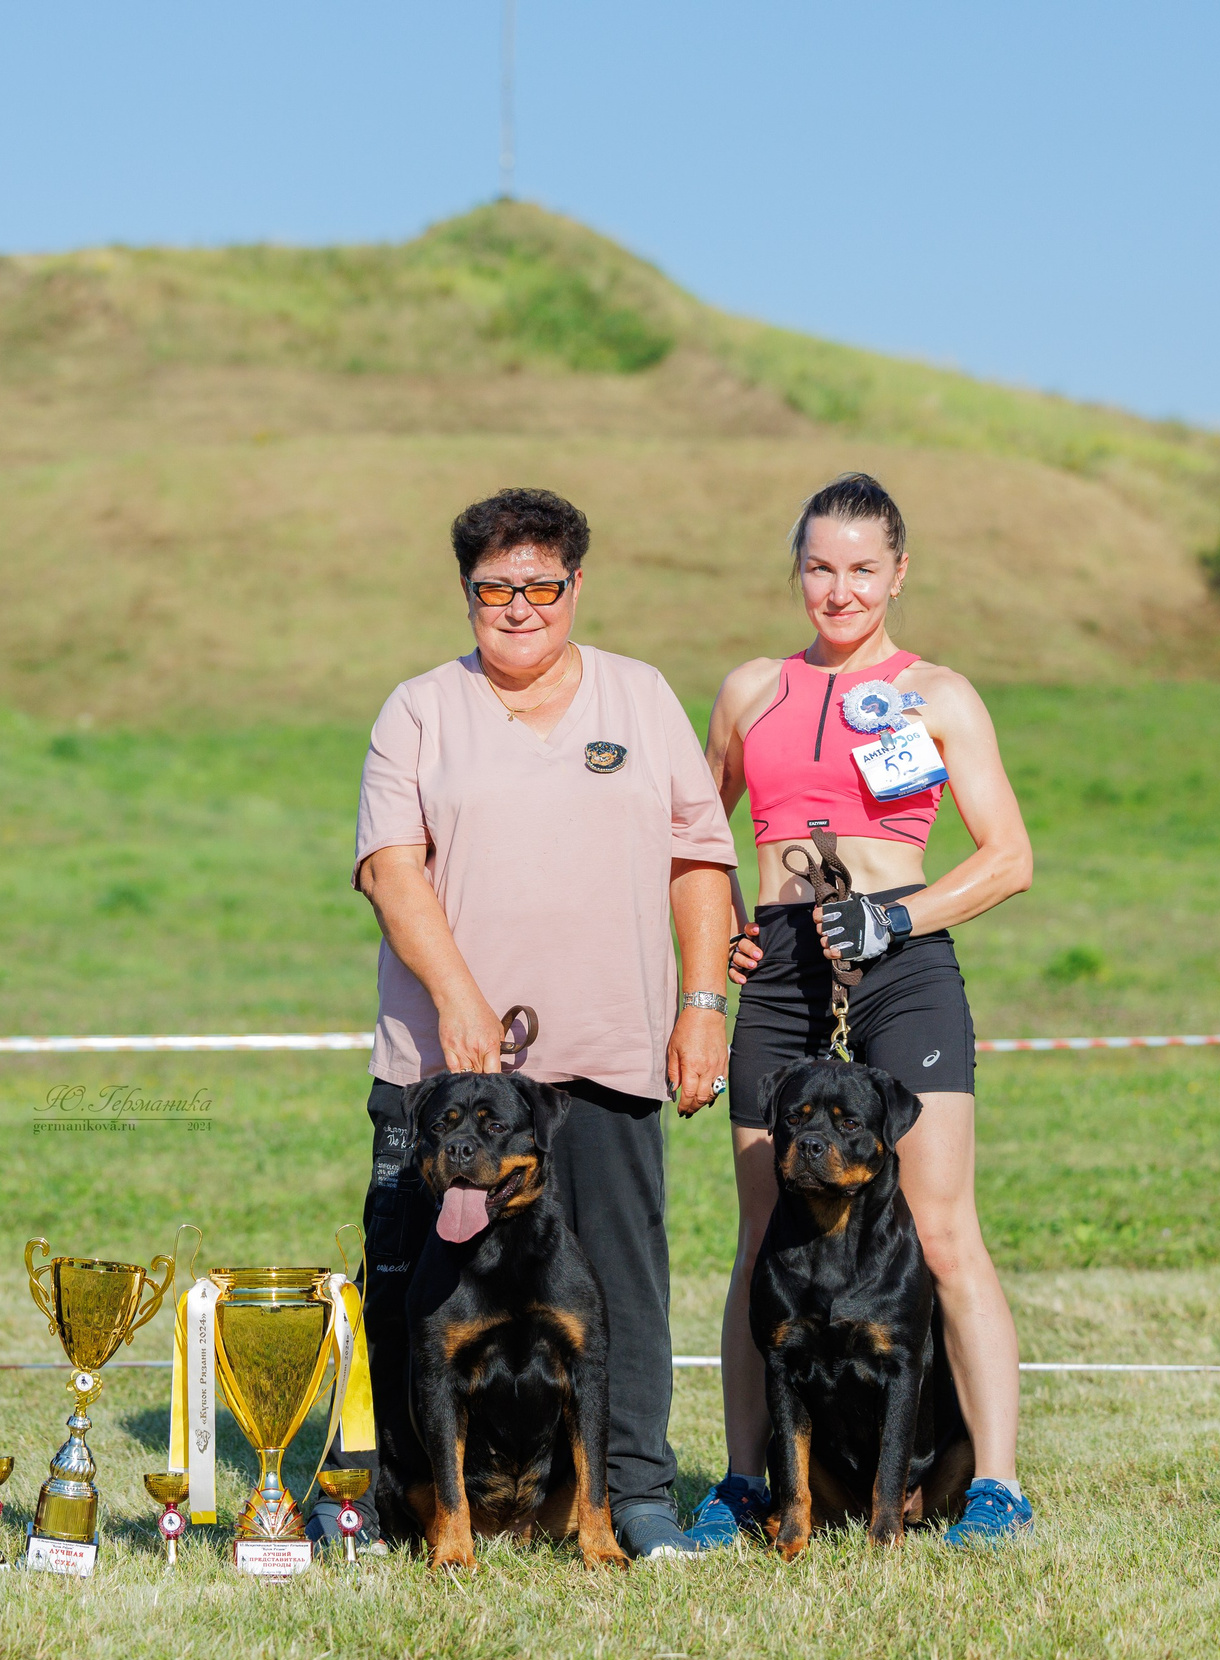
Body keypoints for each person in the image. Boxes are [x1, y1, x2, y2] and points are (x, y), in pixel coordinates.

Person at [323, 487, 739, 1562]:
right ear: (466, 591)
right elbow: (390, 868)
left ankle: (634, 1493)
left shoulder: (640, 699)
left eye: (539, 585)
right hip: (443, 1071)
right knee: (412, 1294)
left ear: (574, 587)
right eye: (493, 588)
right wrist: (460, 999)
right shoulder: (417, 707)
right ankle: (403, 1500)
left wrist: (701, 1005)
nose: (517, 607)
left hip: (609, 1050)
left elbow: (699, 859)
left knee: (621, 1283)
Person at [684, 472, 1035, 1550]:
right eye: (819, 568)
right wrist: (733, 921)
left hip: (903, 956)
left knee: (940, 1230)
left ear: (897, 574)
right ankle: (746, 1483)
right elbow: (698, 838)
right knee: (760, 1235)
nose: (838, 591)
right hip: (783, 969)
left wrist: (897, 919)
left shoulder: (939, 692)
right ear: (798, 569)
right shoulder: (750, 687)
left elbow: (1009, 857)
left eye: (861, 570)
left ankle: (995, 1488)